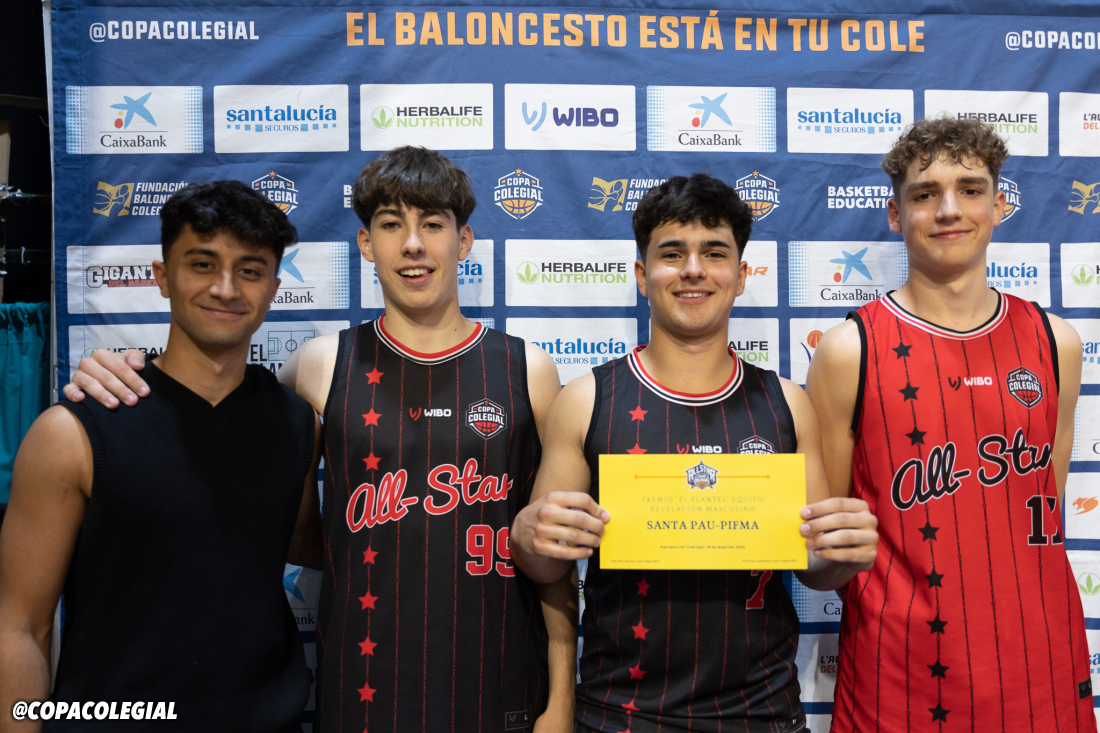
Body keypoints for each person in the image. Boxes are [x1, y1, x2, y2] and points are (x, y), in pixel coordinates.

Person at [62, 147, 574, 732]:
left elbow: (554, 557)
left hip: (499, 678)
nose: (413, 244)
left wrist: (561, 698)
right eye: (391, 225)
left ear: (463, 242)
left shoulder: (528, 369)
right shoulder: (317, 366)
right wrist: (125, 371)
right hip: (363, 687)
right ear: (365, 244)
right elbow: (210, 415)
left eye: (433, 225)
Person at [510, 173, 880, 733]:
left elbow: (816, 571)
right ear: (642, 275)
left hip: (762, 715)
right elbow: (547, 567)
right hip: (618, 714)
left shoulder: (787, 402)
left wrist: (841, 552)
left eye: (714, 252)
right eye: (671, 253)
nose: (693, 270)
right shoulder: (587, 398)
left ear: (741, 275)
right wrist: (527, 535)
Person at [0, 181, 322, 731]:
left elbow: (311, 543)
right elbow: (19, 629)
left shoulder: (298, 424)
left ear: (273, 288)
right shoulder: (72, 433)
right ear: (162, 276)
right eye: (202, 264)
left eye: (249, 270)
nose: (225, 288)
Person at [806, 117, 1092, 732]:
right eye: (925, 193)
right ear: (895, 214)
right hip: (899, 673)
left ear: (1000, 205)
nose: (948, 210)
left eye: (970, 189)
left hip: (1040, 664)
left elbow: (1041, 509)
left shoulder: (1056, 342)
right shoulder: (849, 350)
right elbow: (830, 549)